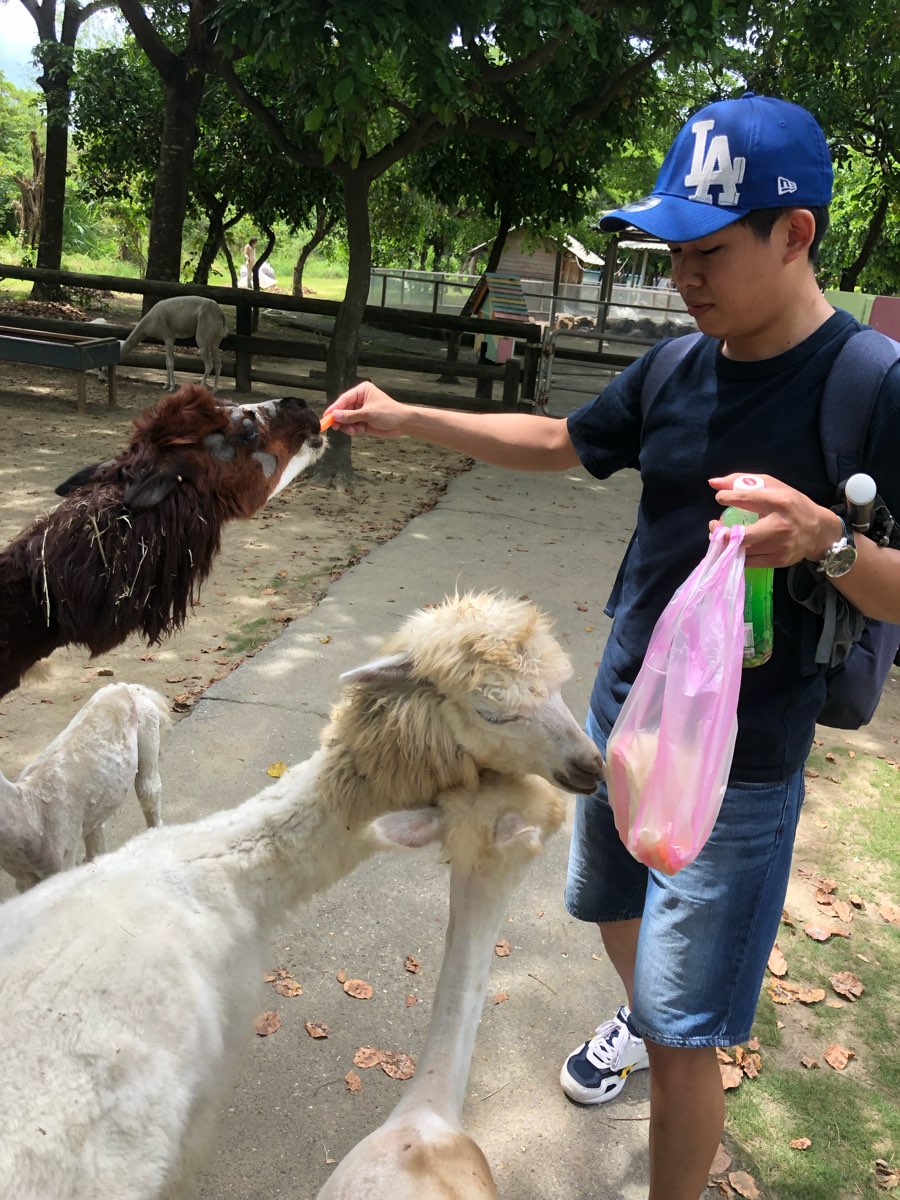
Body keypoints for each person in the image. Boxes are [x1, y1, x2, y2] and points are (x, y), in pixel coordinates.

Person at [322, 92, 900, 1200]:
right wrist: (410, 416)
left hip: (740, 762)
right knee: (613, 916)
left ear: (796, 235)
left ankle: (674, 1083)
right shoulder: (681, 367)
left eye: (710, 250)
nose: (684, 275)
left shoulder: (869, 387)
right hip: (620, 722)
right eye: (671, 249)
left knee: (690, 1038)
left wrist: (826, 543)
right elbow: (560, 439)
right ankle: (654, 1013)